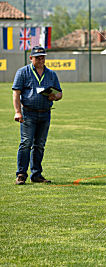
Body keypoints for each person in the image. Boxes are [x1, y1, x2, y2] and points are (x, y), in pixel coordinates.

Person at [13, 46, 62, 185]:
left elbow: (60, 93)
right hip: (28, 113)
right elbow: (16, 93)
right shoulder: (22, 72)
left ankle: (36, 174)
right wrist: (18, 112)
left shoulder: (51, 74)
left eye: (43, 57)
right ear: (31, 58)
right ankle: (21, 174)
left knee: (40, 145)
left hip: (45, 114)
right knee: (26, 143)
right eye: (38, 57)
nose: (41, 60)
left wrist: (55, 97)